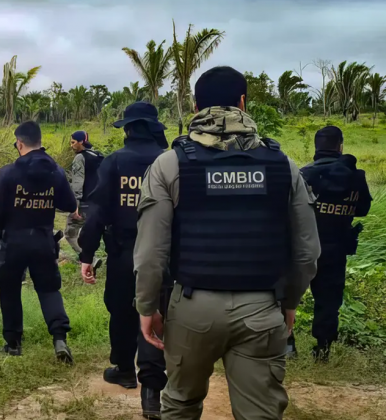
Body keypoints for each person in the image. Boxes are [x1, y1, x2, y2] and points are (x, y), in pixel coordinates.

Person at [134, 66, 321, 420]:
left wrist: (147, 307)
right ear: (243, 103)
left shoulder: (170, 164)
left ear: (194, 106)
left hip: (192, 309)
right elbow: (307, 251)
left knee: (180, 405)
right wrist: (290, 301)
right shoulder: (283, 166)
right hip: (261, 307)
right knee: (261, 413)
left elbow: (150, 254)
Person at [78, 102, 169, 419]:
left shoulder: (114, 161)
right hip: (164, 252)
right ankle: (154, 387)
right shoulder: (169, 161)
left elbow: (97, 213)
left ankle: (124, 369)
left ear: (128, 128)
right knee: (156, 311)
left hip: (122, 250)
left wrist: (86, 254)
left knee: (120, 309)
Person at [0, 120, 78, 363]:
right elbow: (70, 205)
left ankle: (13, 344)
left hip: (14, 241)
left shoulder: (7, 173)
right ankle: (59, 339)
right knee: (49, 290)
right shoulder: (56, 171)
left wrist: (2, 229)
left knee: (9, 290)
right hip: (43, 241)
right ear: (40, 142)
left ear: (19, 143)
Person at [286, 126, 372, 361]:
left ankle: (288, 345)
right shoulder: (355, 176)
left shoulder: (304, 175)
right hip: (336, 248)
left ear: (316, 147)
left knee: (289, 295)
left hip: (303, 248)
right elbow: (363, 209)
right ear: (340, 146)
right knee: (329, 301)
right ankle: (322, 350)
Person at [65, 131, 104, 258]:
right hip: (97, 202)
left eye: (73, 142)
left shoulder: (80, 158)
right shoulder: (98, 155)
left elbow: (78, 182)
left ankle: (88, 258)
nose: (71, 146)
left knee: (70, 233)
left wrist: (74, 205)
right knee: (90, 232)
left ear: (81, 142)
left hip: (84, 202)